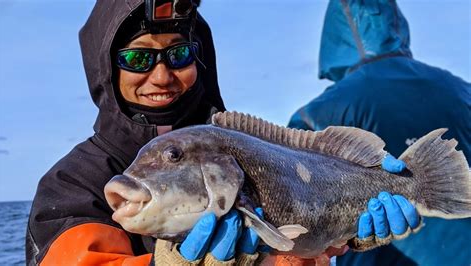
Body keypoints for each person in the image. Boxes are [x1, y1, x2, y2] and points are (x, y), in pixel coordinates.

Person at [26, 0, 419, 265]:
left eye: (178, 54)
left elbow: (297, 252)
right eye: (137, 58)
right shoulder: (69, 187)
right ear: (107, 68)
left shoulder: (254, 149)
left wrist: (345, 232)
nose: (160, 75)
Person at [288, 0, 471, 265]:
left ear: (336, 38)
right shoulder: (461, 90)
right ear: (396, 23)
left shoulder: (318, 113)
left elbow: (289, 189)